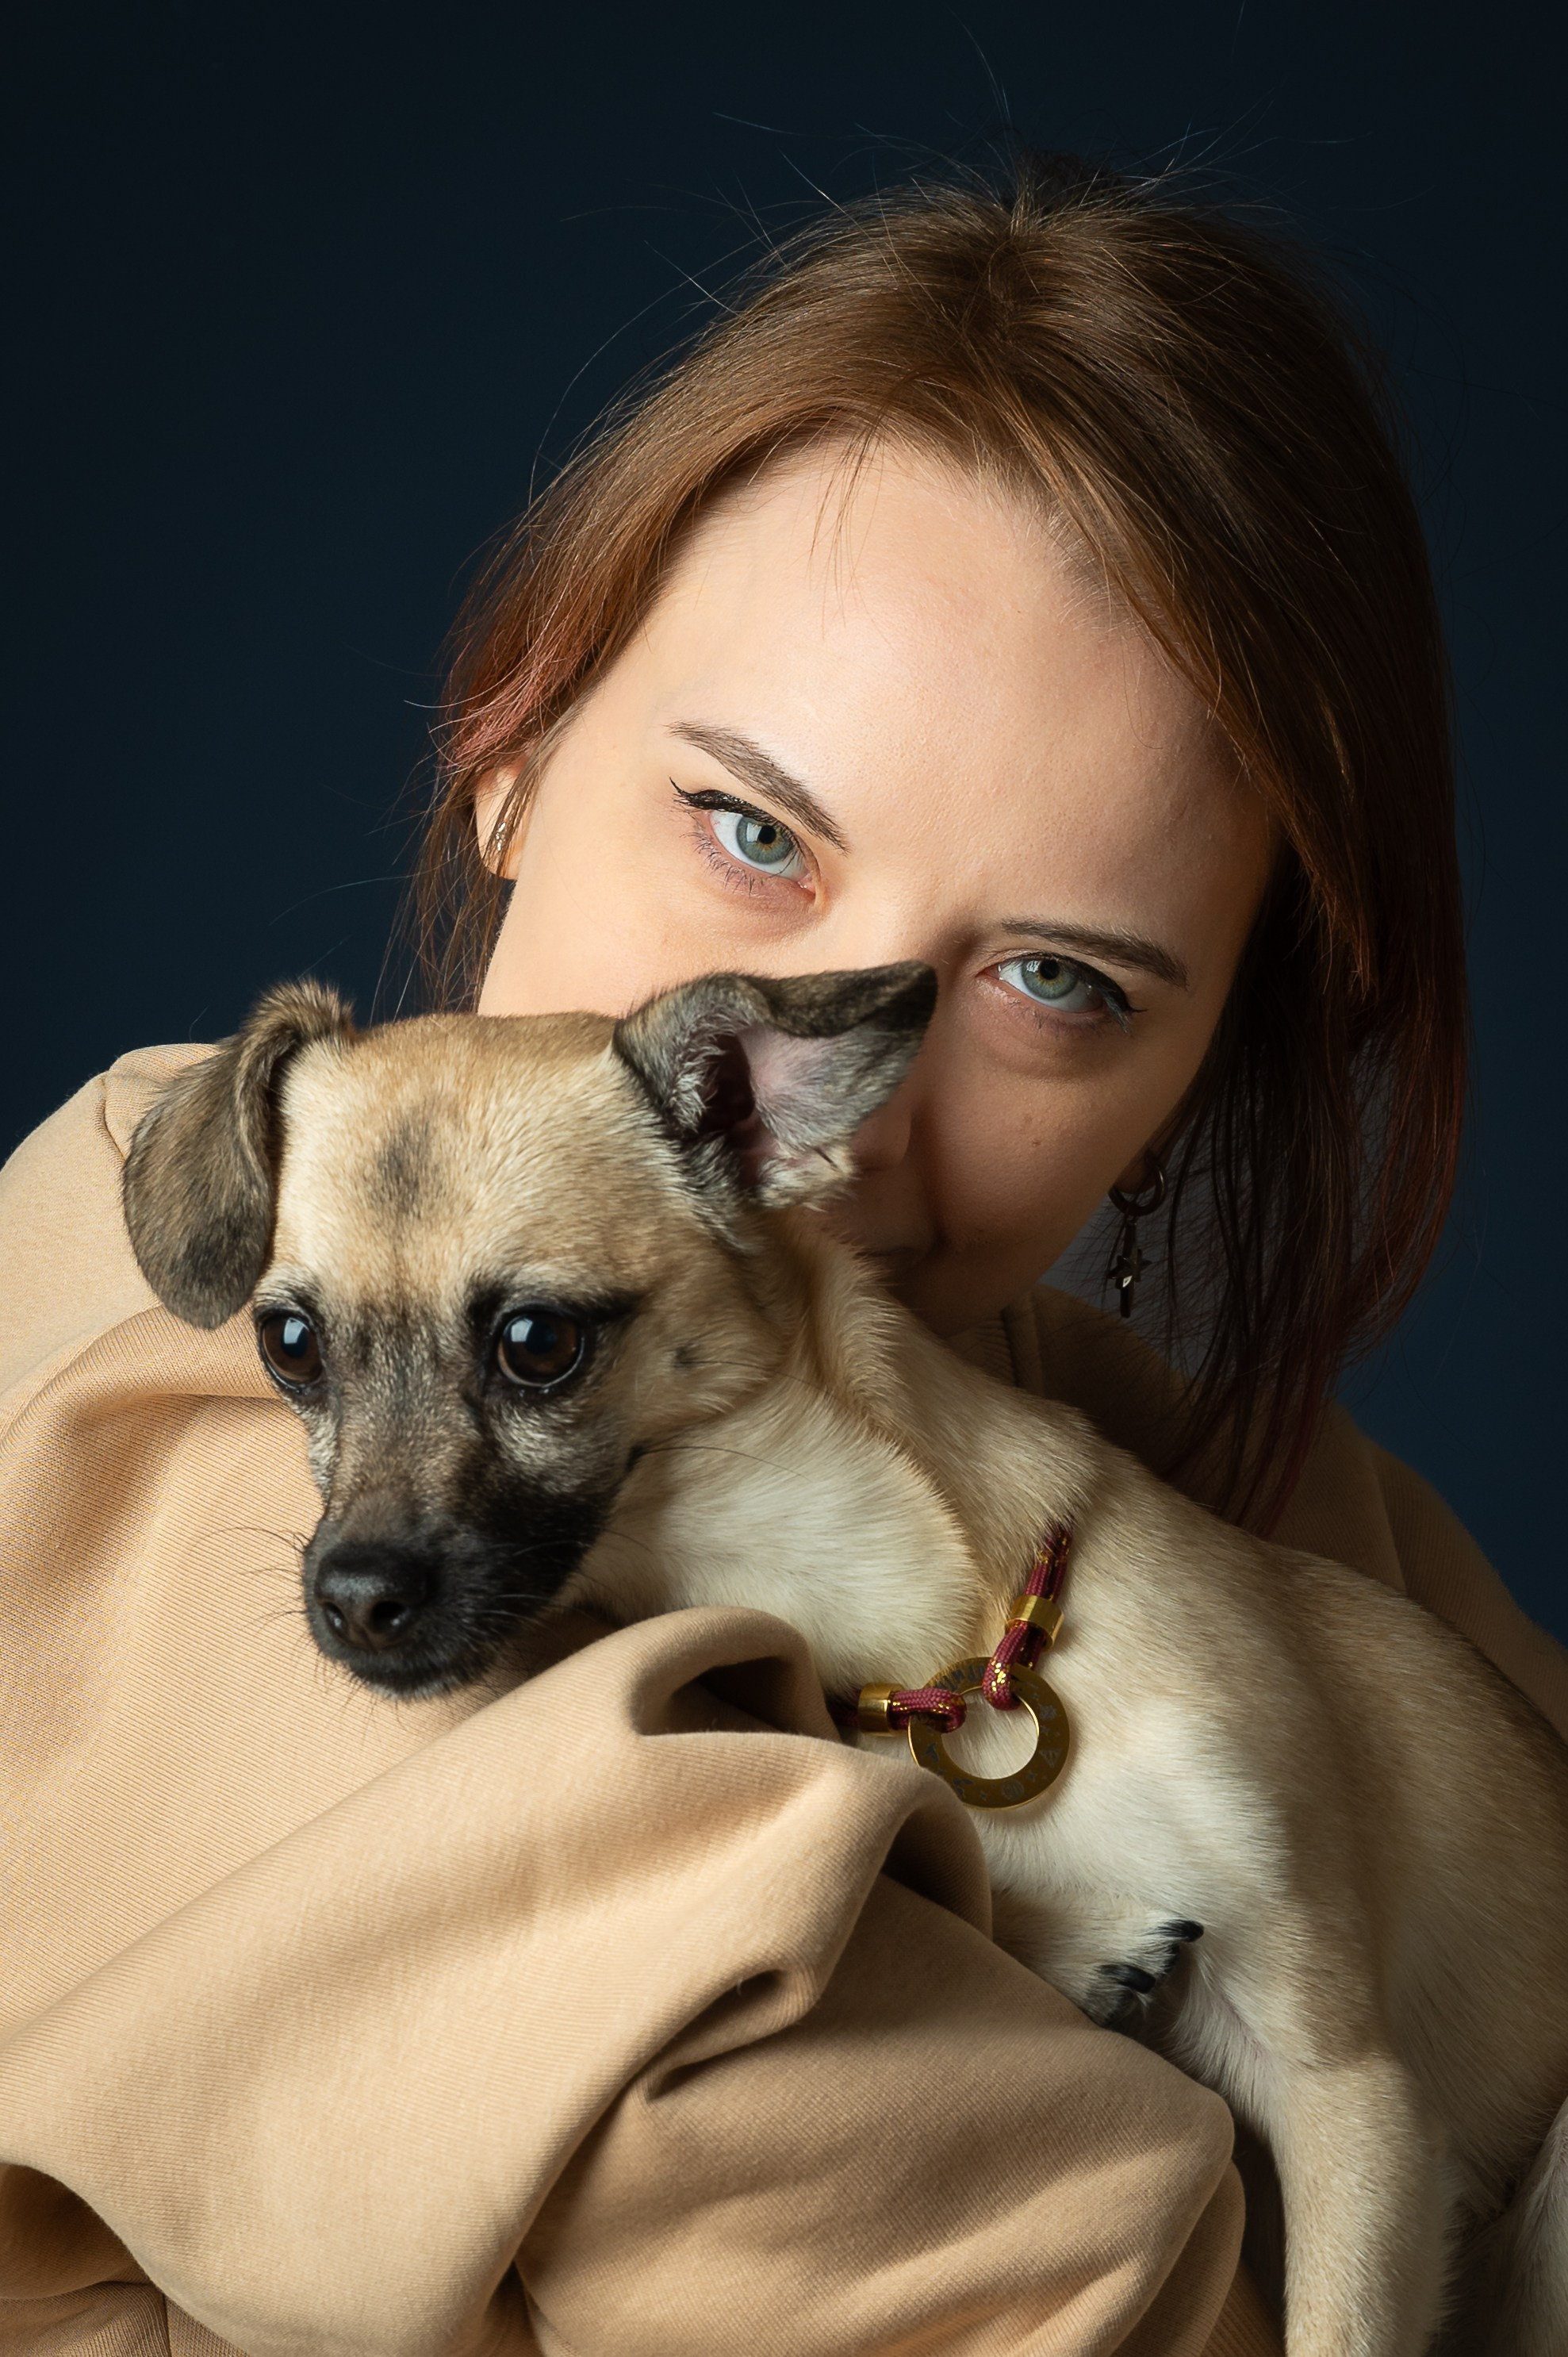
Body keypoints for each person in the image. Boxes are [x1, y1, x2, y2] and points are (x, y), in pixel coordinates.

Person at [1, 162, 1562, 2357]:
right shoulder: (181, 1375)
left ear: (1208, 1059)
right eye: (752, 831)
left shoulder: (1236, 1490)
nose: (833, 1094)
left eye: (1058, 980)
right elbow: (1009, 2287)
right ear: (513, 734)